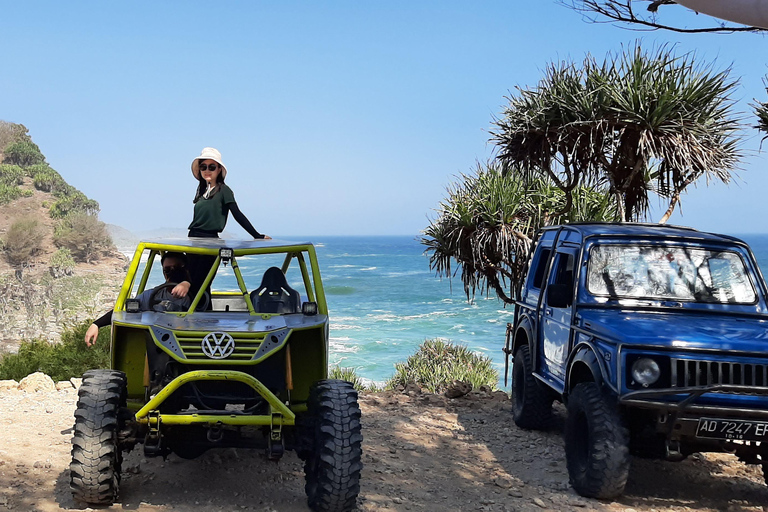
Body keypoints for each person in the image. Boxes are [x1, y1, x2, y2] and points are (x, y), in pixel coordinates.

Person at [173, 147, 270, 300]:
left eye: (212, 167)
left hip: (210, 240)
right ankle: (195, 317)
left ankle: (202, 318)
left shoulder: (224, 191)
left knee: (201, 283)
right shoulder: (202, 192)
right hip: (194, 238)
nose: (207, 170)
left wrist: (257, 235)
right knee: (191, 281)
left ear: (219, 170)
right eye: (203, 167)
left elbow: (237, 214)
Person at [84, 252, 191, 346]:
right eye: (167, 269)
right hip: (161, 341)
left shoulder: (197, 294)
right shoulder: (152, 295)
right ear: (164, 272)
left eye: (177, 268)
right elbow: (127, 309)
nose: (172, 272)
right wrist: (97, 324)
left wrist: (187, 284)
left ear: (185, 269)